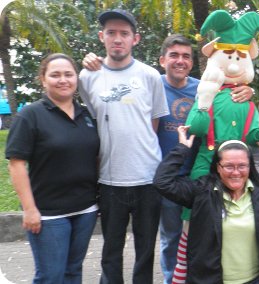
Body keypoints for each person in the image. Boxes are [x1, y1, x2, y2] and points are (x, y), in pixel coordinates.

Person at [78, 9, 169, 283]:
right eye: (111, 33)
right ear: (101, 37)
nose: (118, 39)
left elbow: (153, 124)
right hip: (109, 180)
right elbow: (94, 123)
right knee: (111, 250)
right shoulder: (86, 77)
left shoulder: (150, 76)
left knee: (145, 250)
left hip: (147, 179)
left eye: (124, 34)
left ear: (135, 39)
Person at [155, 34, 254, 284]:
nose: (180, 61)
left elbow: (229, 90)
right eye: (174, 55)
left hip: (200, 176)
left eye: (186, 56)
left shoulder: (204, 85)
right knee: (171, 239)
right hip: (168, 176)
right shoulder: (153, 85)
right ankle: (172, 280)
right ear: (162, 60)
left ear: (193, 61)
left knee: (203, 237)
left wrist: (247, 88)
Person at [153, 126, 259, 283]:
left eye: (242, 166)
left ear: (250, 166)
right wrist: (182, 149)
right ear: (217, 167)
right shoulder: (201, 192)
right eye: (228, 166)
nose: (236, 172)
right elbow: (162, 182)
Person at [5, 53, 100, 283]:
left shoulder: (87, 114)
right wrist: (29, 210)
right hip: (48, 214)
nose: (63, 80)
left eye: (68, 74)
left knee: (73, 271)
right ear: (43, 79)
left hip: (85, 210)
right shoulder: (30, 115)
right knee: (51, 276)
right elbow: (16, 164)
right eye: (55, 75)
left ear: (76, 78)